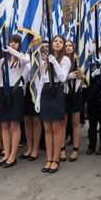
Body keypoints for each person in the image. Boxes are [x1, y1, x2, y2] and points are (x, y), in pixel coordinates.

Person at [35, 35, 71, 173]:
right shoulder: (46, 60)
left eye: (61, 42)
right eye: (55, 41)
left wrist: (54, 62)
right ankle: (49, 159)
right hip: (45, 92)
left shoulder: (65, 59)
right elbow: (41, 81)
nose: (57, 43)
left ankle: (55, 159)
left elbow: (62, 77)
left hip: (57, 91)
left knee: (56, 128)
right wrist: (38, 99)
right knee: (47, 129)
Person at [0, 34, 30, 168]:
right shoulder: (3, 61)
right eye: (11, 42)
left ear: (19, 44)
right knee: (4, 125)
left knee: (14, 125)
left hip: (16, 92)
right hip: (3, 92)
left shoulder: (22, 58)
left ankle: (13, 156)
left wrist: (13, 51)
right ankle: (6, 153)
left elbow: (26, 60)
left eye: (15, 42)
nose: (12, 44)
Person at [60, 40, 83, 162]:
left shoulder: (77, 59)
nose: (68, 47)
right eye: (66, 46)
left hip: (75, 94)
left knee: (75, 122)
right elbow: (58, 77)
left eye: (70, 46)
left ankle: (75, 149)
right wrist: (66, 76)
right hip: (63, 94)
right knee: (63, 122)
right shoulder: (62, 60)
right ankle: (62, 149)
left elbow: (81, 76)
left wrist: (77, 63)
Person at [86, 46, 101, 155]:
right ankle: (91, 145)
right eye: (100, 52)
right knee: (92, 123)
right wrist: (92, 74)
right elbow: (86, 79)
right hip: (92, 97)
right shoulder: (91, 64)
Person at [19, 61, 41, 161]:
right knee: (27, 120)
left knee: (36, 121)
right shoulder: (25, 57)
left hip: (37, 87)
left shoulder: (39, 57)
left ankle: (35, 149)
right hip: (27, 89)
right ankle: (29, 148)